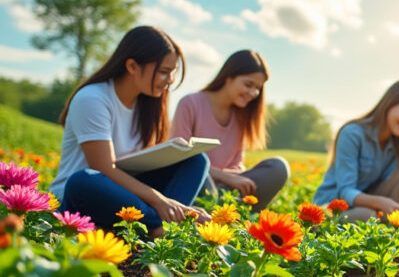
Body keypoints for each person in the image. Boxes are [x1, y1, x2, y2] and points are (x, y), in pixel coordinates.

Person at [49, 26, 210, 233]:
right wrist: (160, 200)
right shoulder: (93, 99)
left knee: (196, 160)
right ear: (132, 66)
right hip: (80, 198)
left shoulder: (147, 105)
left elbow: (135, 166)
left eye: (172, 73)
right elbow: (104, 168)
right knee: (83, 179)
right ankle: (168, 224)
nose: (170, 80)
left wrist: (170, 153)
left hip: (125, 196)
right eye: (163, 72)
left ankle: (160, 225)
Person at [170, 50, 289, 211]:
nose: (253, 93)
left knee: (278, 167)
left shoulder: (242, 115)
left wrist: (234, 179)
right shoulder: (190, 104)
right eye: (248, 85)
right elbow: (179, 159)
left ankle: (231, 212)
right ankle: (214, 213)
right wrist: (226, 177)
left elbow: (236, 166)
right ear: (229, 77)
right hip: (196, 186)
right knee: (199, 171)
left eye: (258, 88)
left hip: (226, 189)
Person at [312, 79, 399, 220]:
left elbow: (393, 186)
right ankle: (379, 224)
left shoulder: (397, 145)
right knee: (366, 216)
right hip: (333, 206)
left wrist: (388, 205)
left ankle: (387, 224)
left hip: (367, 204)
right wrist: (381, 203)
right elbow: (345, 192)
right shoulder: (352, 134)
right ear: (389, 104)